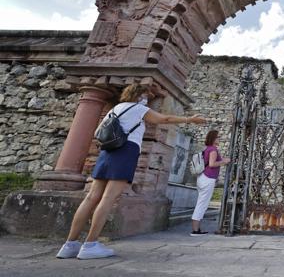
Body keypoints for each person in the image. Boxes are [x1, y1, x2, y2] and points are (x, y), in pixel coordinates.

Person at [56, 84, 207, 260]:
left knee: (91, 197)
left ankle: (69, 245)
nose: (147, 98)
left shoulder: (116, 108)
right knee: (108, 198)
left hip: (107, 152)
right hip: (126, 151)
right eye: (145, 95)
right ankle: (90, 244)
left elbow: (99, 132)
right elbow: (163, 119)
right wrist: (190, 119)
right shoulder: (138, 108)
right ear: (138, 95)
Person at [190, 130, 230, 236]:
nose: (219, 139)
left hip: (203, 177)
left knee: (201, 203)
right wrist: (224, 162)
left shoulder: (208, 149)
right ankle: (195, 230)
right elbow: (212, 164)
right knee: (202, 204)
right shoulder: (213, 150)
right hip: (207, 178)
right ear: (213, 138)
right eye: (218, 137)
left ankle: (196, 229)